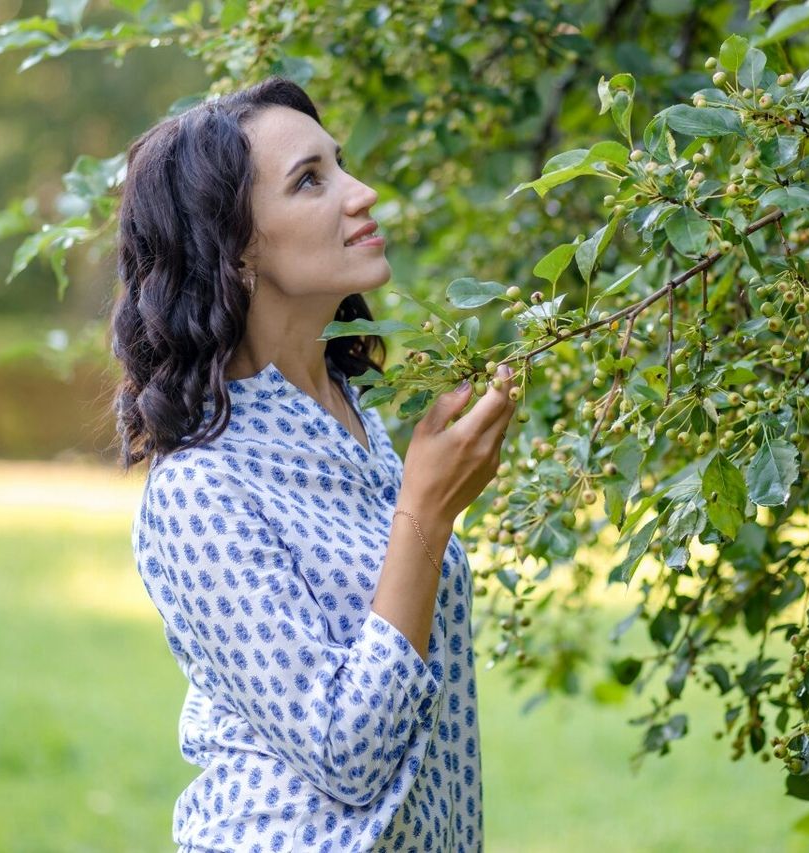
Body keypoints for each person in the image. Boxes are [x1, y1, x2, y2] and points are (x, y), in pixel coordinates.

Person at [109, 77, 517, 852]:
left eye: (342, 164)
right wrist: (425, 515)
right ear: (234, 249)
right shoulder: (201, 488)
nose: (361, 194)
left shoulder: (349, 419)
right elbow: (347, 752)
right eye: (310, 180)